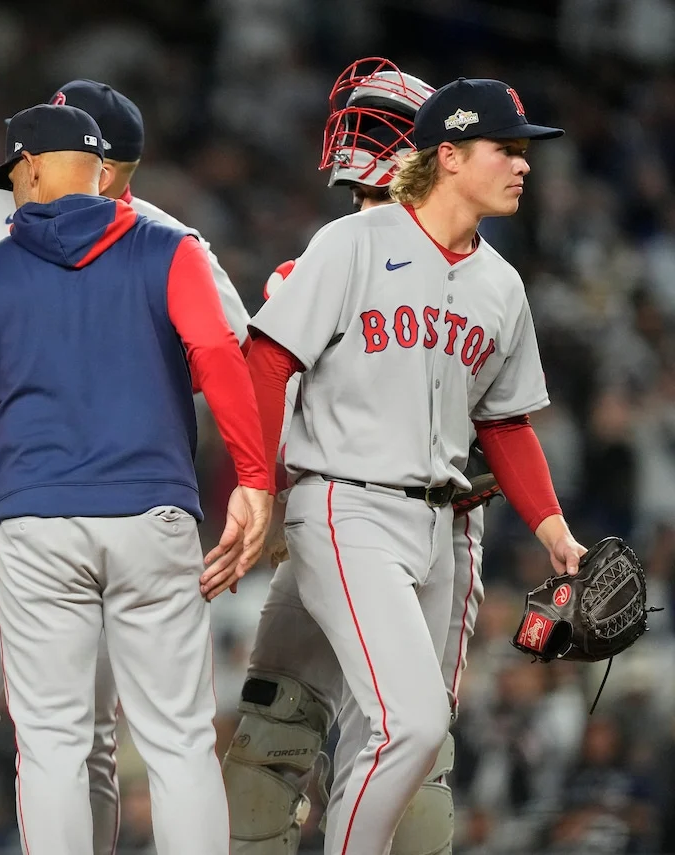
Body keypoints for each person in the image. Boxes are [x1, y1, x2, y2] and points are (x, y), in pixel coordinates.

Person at [241, 76, 586, 855]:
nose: (524, 164)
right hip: (347, 505)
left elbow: (505, 423)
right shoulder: (353, 243)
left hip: (440, 526)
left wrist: (553, 528)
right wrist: (256, 487)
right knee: (412, 722)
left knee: (411, 742)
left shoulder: (502, 284)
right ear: (450, 155)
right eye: (507, 148)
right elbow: (268, 359)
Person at [0, 78, 251, 855]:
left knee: (79, 734)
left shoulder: (167, 237)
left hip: (90, 487)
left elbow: (232, 350)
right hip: (10, 483)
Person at [223, 58, 482, 855]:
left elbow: (265, 382)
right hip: (407, 525)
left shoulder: (308, 268)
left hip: (341, 519)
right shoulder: (474, 280)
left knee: (278, 738)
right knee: (411, 756)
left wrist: (263, 492)